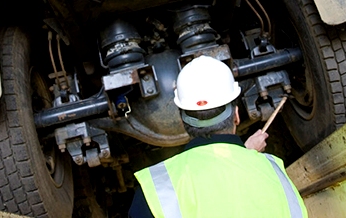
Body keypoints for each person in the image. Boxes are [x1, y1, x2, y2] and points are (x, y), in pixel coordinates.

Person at [128, 56, 307, 218]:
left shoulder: (155, 190)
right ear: (236, 115)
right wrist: (245, 156)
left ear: (183, 123)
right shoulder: (274, 171)